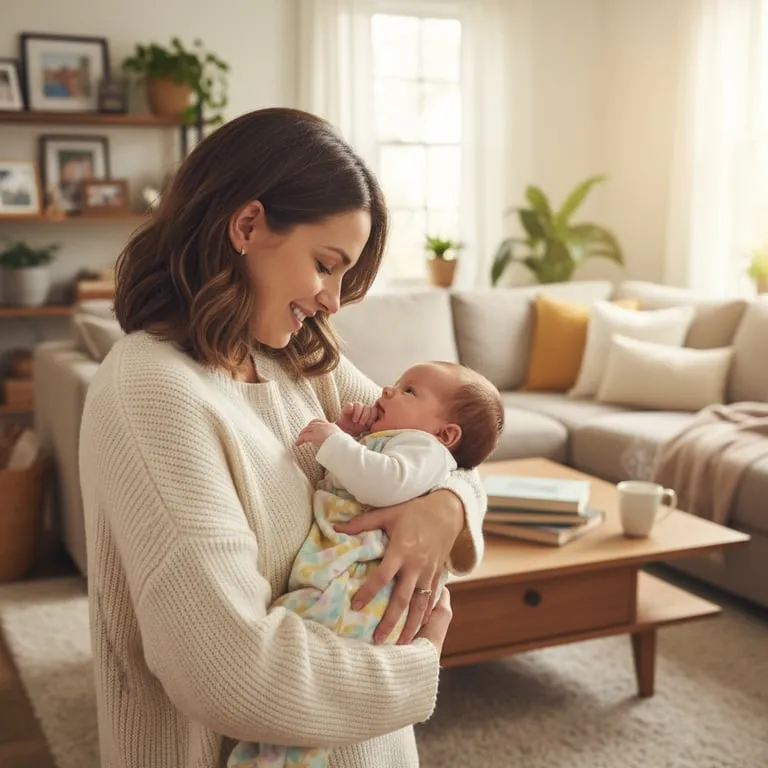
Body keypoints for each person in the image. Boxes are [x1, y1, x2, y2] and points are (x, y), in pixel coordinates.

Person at [78, 107, 490, 768]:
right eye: (326, 265)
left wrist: (445, 507)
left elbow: (450, 452)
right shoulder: (152, 394)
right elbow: (232, 672)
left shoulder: (295, 362)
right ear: (247, 225)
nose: (333, 300)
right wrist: (421, 665)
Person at [230, 362, 504, 767]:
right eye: (396, 383)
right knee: (305, 678)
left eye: (408, 391)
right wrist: (348, 433)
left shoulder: (424, 449)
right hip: (340, 578)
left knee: (305, 676)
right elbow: (348, 478)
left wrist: (336, 442)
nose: (388, 391)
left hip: (355, 585)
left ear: (446, 435)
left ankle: (272, 756)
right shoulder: (400, 440)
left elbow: (384, 482)